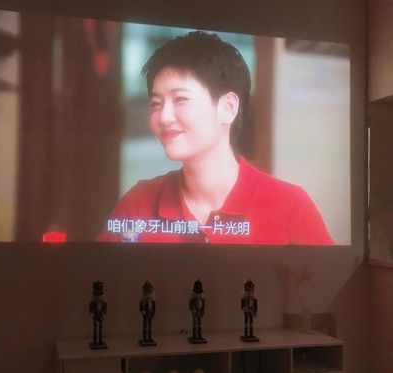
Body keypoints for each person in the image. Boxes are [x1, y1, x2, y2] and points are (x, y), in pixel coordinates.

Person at [97, 31, 334, 244]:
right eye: (156, 104)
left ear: (228, 108)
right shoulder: (139, 203)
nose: (164, 117)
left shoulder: (290, 206)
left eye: (181, 99)